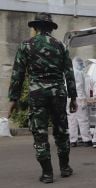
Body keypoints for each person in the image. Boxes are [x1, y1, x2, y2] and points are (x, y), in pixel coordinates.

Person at [8, 12, 77, 183]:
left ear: (36, 27)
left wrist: (13, 99)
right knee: (62, 131)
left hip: (37, 94)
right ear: (50, 29)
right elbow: (69, 74)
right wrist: (73, 97)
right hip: (58, 93)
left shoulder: (26, 45)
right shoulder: (61, 46)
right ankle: (65, 168)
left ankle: (47, 173)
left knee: (40, 133)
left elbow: (18, 74)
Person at [68, 57, 92, 147]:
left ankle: (72, 140)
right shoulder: (78, 73)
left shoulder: (68, 72)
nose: (82, 65)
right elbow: (80, 88)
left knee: (72, 120)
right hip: (78, 98)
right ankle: (87, 139)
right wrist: (83, 99)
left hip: (69, 99)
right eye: (81, 63)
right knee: (83, 119)